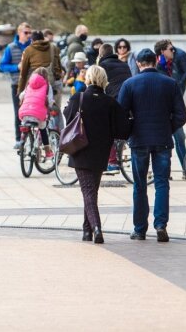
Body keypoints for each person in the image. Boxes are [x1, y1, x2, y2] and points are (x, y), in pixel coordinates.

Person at [118, 49, 186, 242]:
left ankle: (139, 229)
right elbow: (181, 115)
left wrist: (130, 130)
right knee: (162, 183)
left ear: (139, 63)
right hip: (162, 139)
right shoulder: (170, 83)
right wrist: (167, 127)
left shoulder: (129, 84)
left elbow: (120, 113)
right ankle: (160, 225)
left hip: (139, 140)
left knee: (139, 185)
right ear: (156, 61)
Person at [64, 65, 130, 244]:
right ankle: (87, 231)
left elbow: (68, 117)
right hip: (101, 154)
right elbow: (122, 130)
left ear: (88, 78)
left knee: (88, 192)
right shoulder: (109, 102)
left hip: (80, 150)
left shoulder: (79, 98)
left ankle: (96, 227)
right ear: (103, 79)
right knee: (92, 191)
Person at [154, 39, 186, 179]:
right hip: (164, 110)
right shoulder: (158, 67)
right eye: (170, 49)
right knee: (169, 140)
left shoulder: (173, 61)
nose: (173, 51)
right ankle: (168, 171)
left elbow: (185, 73)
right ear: (162, 51)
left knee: (179, 138)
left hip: (172, 109)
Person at [98, 42, 133, 172]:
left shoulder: (102, 66)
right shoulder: (124, 65)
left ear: (101, 54)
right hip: (128, 101)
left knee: (107, 130)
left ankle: (112, 162)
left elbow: (98, 85)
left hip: (114, 101)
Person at [0, 22, 33, 149]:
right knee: (18, 112)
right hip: (17, 85)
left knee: (32, 112)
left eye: (30, 33)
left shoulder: (33, 47)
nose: (28, 35)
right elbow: (2, 65)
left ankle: (31, 137)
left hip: (32, 85)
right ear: (19, 33)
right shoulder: (11, 47)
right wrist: (16, 67)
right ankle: (19, 139)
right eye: (26, 33)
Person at [18, 67, 55, 159]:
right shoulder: (47, 85)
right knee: (42, 129)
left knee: (25, 126)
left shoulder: (29, 84)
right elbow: (49, 101)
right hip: (38, 115)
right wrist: (51, 104)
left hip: (24, 113)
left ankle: (22, 146)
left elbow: (21, 96)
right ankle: (48, 152)